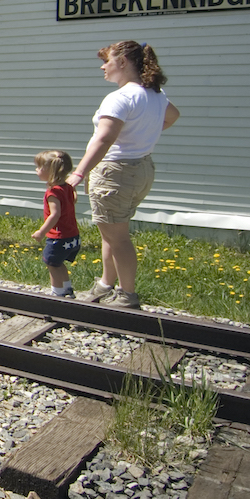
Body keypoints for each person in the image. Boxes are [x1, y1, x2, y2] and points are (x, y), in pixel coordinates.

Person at [67, 41, 180, 309]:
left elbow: (104, 138)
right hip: (141, 170)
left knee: (118, 237)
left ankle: (127, 295)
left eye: (107, 60)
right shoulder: (155, 94)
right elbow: (173, 116)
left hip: (115, 173)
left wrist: (78, 173)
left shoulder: (120, 97)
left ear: (123, 62)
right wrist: (144, 133)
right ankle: (106, 285)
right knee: (112, 232)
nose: (102, 66)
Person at [31, 150, 80, 297]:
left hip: (59, 238)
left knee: (52, 264)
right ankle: (67, 289)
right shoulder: (67, 188)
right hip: (73, 235)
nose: (36, 170)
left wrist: (41, 232)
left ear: (50, 171)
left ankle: (57, 293)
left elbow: (55, 214)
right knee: (59, 263)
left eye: (39, 167)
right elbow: (73, 200)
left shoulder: (53, 192)